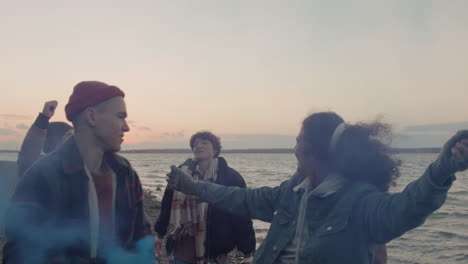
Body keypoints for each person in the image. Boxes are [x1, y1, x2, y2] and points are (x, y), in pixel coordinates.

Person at [166, 112, 468, 264]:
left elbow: (409, 207)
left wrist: (443, 168)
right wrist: (195, 187)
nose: (294, 148)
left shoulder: (361, 201)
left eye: (299, 141)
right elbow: (242, 198)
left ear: (315, 150)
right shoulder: (292, 192)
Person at [3, 81, 153, 264]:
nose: (126, 127)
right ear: (91, 116)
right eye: (120, 116)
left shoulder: (125, 173)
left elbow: (141, 235)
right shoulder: (44, 175)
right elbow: (19, 252)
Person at [154, 131, 256, 264]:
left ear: (215, 149)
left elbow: (241, 213)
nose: (198, 146)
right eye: (195, 144)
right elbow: (167, 204)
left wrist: (247, 250)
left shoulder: (230, 176)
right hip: (183, 243)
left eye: (204, 142)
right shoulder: (180, 173)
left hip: (216, 248)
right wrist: (159, 234)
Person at [17, 100, 73, 177]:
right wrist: (43, 118)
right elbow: (28, 157)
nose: (75, 138)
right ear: (56, 142)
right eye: (69, 135)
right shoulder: (40, 170)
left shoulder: (78, 168)